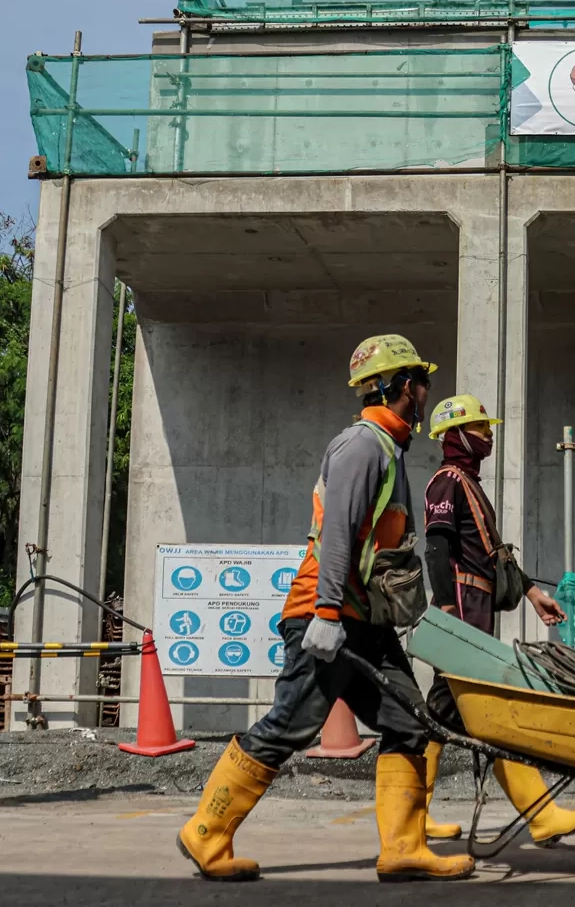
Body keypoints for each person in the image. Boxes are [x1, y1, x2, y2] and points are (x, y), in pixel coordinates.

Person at [177, 335, 475, 884]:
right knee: (290, 724)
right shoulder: (362, 446)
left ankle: (404, 848)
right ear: (401, 386)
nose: (426, 390)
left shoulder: (388, 447)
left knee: (409, 720)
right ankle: (206, 831)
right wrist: (328, 613)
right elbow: (337, 534)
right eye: (421, 381)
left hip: (365, 621)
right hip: (330, 615)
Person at [419, 393, 575, 845]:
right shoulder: (446, 482)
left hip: (475, 607)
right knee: (485, 708)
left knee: (446, 711)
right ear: (456, 435)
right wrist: (445, 610)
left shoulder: (469, 483)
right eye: (481, 428)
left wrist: (533, 594)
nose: (489, 434)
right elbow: (437, 549)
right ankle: (539, 815)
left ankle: (412, 814)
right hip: (460, 606)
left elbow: (493, 556)